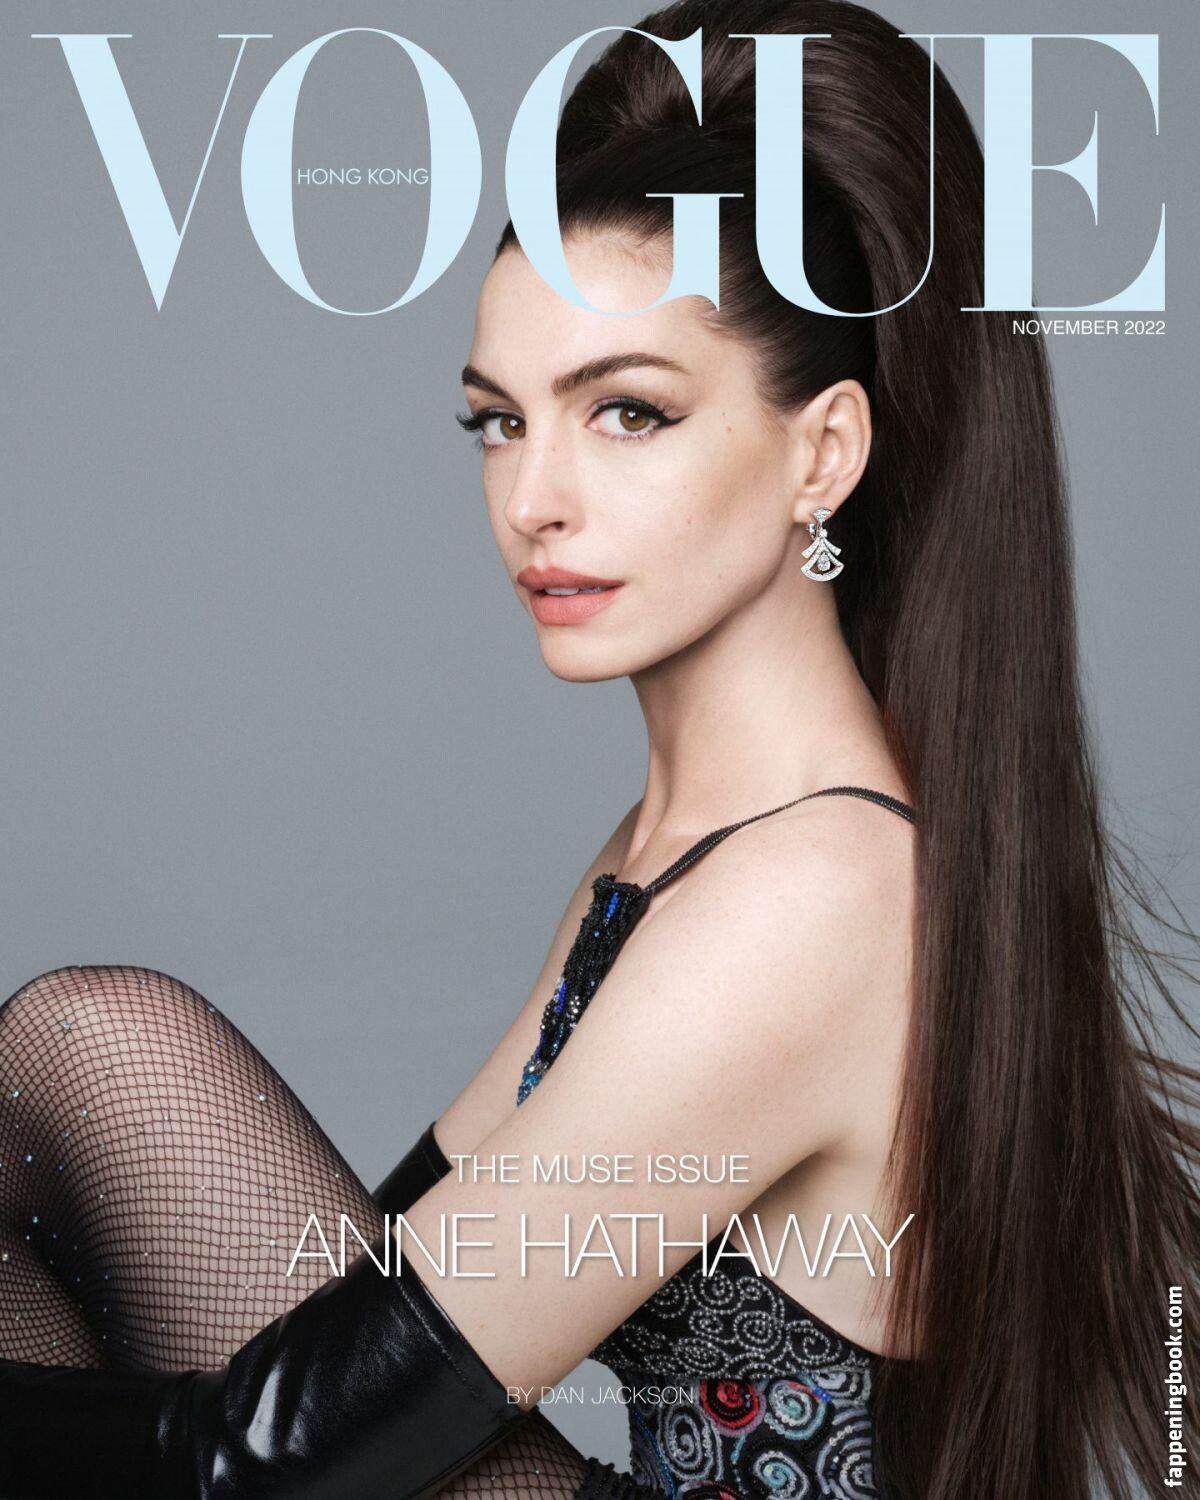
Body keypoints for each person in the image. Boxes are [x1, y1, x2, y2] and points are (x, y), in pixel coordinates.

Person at [1, 2, 1197, 1497]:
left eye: (628, 412)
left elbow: (264, 1456)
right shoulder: (671, 858)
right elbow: (365, 1316)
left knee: (95, 1046)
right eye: (497, 423)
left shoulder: (815, 895)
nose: (534, 500)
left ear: (823, 452)